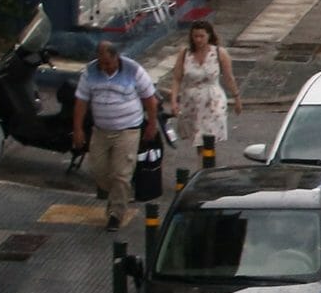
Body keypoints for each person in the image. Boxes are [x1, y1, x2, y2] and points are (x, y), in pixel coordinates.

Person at [71, 38, 161, 230]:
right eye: (101, 63)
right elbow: (81, 101)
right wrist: (78, 129)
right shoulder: (90, 72)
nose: (105, 68)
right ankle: (118, 194)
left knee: (121, 174)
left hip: (127, 130)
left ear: (116, 57)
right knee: (99, 171)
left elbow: (149, 99)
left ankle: (116, 213)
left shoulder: (133, 70)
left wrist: (152, 124)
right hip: (101, 130)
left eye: (108, 63)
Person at [169, 20, 237, 166]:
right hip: (191, 101)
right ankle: (205, 167)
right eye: (195, 36)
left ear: (209, 36)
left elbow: (229, 77)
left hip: (212, 100)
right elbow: (176, 78)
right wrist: (174, 101)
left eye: (202, 36)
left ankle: (206, 168)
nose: (198, 40)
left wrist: (236, 97)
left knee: (208, 138)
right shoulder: (185, 53)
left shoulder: (219, 53)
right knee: (198, 139)